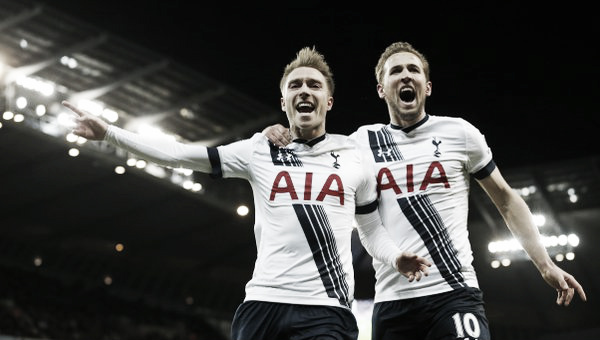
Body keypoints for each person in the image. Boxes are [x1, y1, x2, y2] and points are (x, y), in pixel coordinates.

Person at [62, 46, 432, 340]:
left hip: (327, 309)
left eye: (314, 85)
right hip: (263, 302)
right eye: (295, 86)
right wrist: (110, 133)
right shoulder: (259, 150)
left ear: (329, 102)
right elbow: (178, 155)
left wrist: (395, 257)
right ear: (284, 102)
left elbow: (370, 229)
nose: (305, 90)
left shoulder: (355, 156)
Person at [263, 41, 587, 340]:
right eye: (396, 71)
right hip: (393, 302)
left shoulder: (459, 133)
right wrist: (276, 133)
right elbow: (309, 156)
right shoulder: (360, 143)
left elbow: (505, 199)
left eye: (413, 70)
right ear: (381, 89)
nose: (406, 76)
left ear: (427, 86)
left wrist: (545, 264)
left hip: (455, 293)